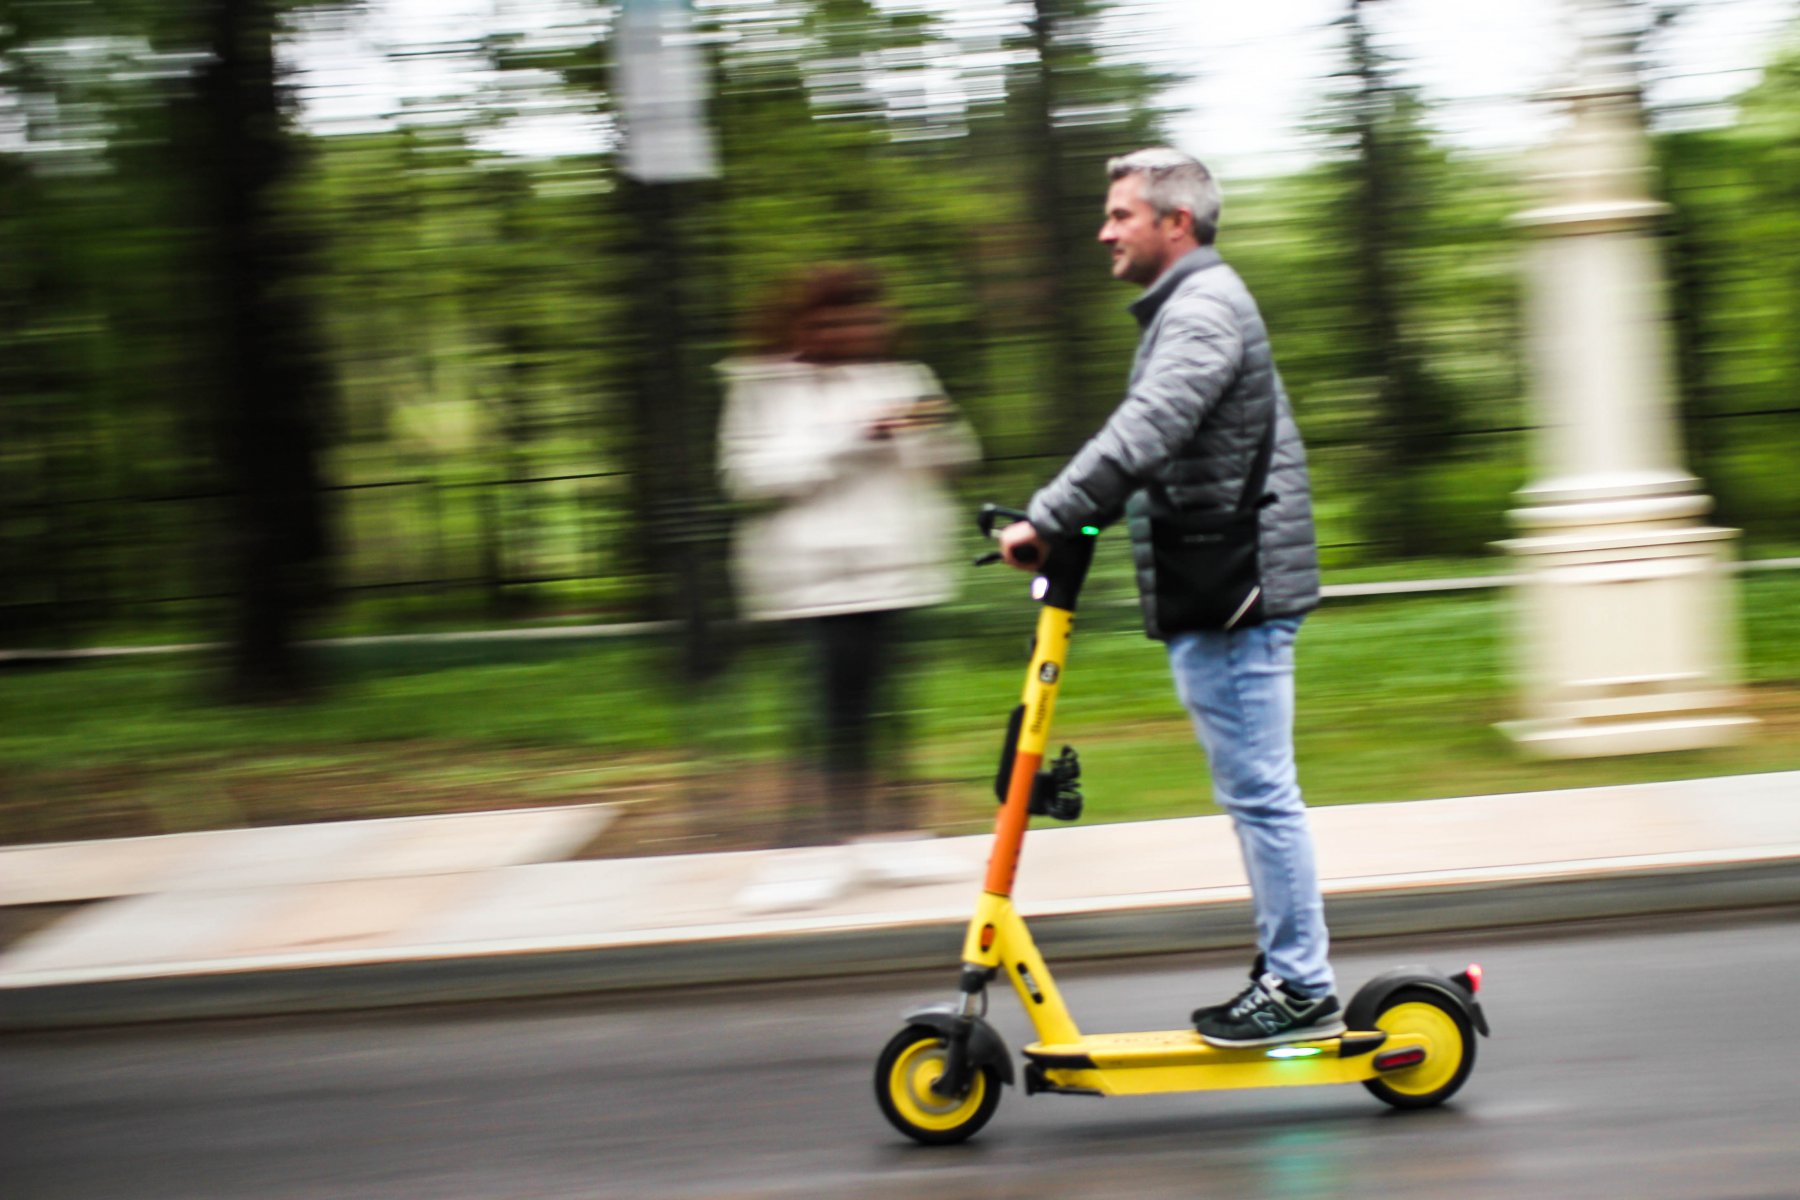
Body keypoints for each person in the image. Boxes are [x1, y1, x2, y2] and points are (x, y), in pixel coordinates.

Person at [998, 147, 1340, 1047]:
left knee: (1262, 794)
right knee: (1255, 791)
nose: (1104, 230)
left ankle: (1300, 982)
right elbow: (1157, 440)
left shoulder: (1203, 310)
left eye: (1121, 214)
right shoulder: (1189, 309)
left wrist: (1051, 513)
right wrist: (1079, 514)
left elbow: (1149, 427)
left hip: (1235, 587)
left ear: (1175, 223)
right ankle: (1289, 972)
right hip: (1218, 579)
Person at [718, 263, 981, 914]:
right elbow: (748, 476)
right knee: (824, 717)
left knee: (891, 712)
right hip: (814, 582)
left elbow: (955, 457)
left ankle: (895, 837)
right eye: (837, 319)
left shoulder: (904, 378)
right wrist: (851, 437)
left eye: (868, 317)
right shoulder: (764, 384)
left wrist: (918, 432)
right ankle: (808, 850)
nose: (857, 329)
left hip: (894, 571)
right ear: (805, 324)